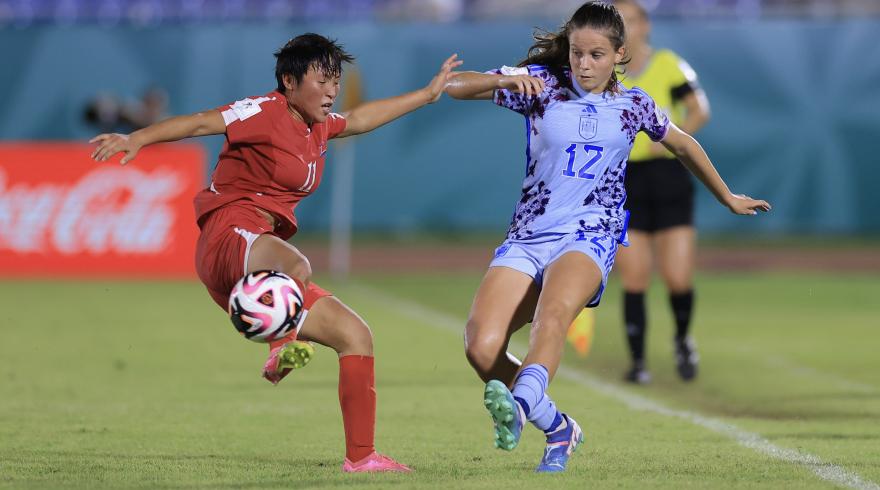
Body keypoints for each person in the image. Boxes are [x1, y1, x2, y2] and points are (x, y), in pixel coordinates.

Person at [90, 33, 462, 473]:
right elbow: (198, 123)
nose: (331, 92)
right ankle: (280, 345)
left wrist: (427, 93)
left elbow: (361, 119)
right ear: (289, 79)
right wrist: (139, 138)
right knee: (297, 264)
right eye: (322, 81)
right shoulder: (263, 111)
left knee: (355, 335)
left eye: (336, 81)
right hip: (229, 233)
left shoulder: (319, 125)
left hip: (259, 262)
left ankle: (361, 458)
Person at [445, 1, 769, 473]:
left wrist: (726, 196)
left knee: (552, 317)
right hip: (529, 234)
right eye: (577, 53)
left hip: (591, 233)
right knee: (480, 346)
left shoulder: (633, 104)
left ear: (619, 53)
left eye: (596, 54)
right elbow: (453, 87)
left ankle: (519, 405)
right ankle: (557, 424)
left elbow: (684, 142)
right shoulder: (541, 86)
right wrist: (502, 79)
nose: (583, 63)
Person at [613, 0, 711, 385]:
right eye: (617, 20)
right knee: (635, 278)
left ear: (645, 26)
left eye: (631, 20)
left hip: (668, 179)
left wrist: (670, 139)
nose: (625, 27)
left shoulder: (668, 63)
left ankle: (683, 338)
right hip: (624, 182)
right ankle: (637, 363)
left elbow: (699, 109)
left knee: (677, 278)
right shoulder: (604, 70)